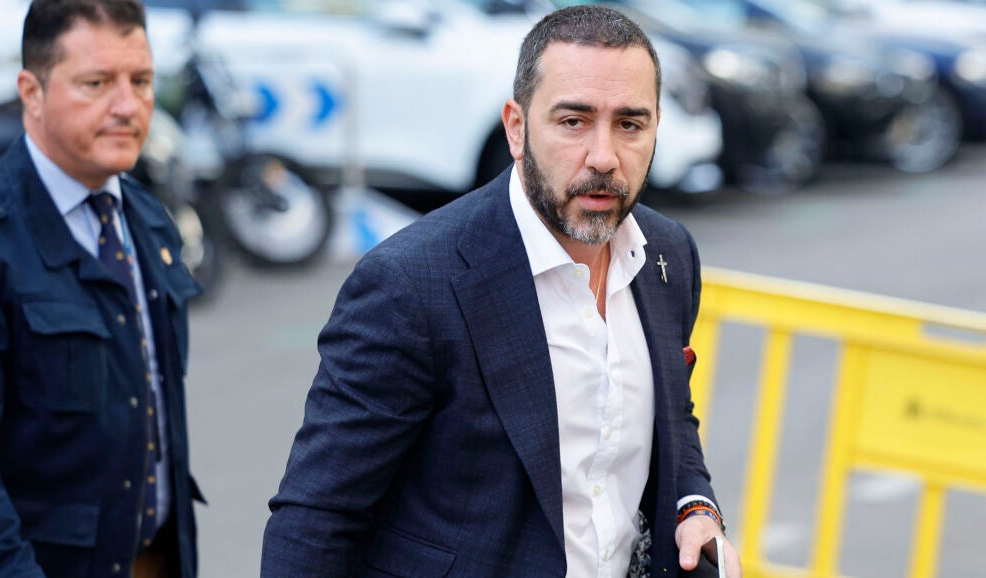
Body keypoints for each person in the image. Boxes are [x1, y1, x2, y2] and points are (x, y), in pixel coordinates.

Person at [261, 5, 741, 577]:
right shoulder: (411, 284)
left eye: (630, 125)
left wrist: (695, 505)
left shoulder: (668, 256)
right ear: (517, 127)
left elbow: (672, 418)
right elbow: (317, 517)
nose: (604, 157)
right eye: (573, 122)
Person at [0, 1, 204, 576]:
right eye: (97, 83)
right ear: (31, 92)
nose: (128, 106)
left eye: (142, 81)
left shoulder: (148, 219)